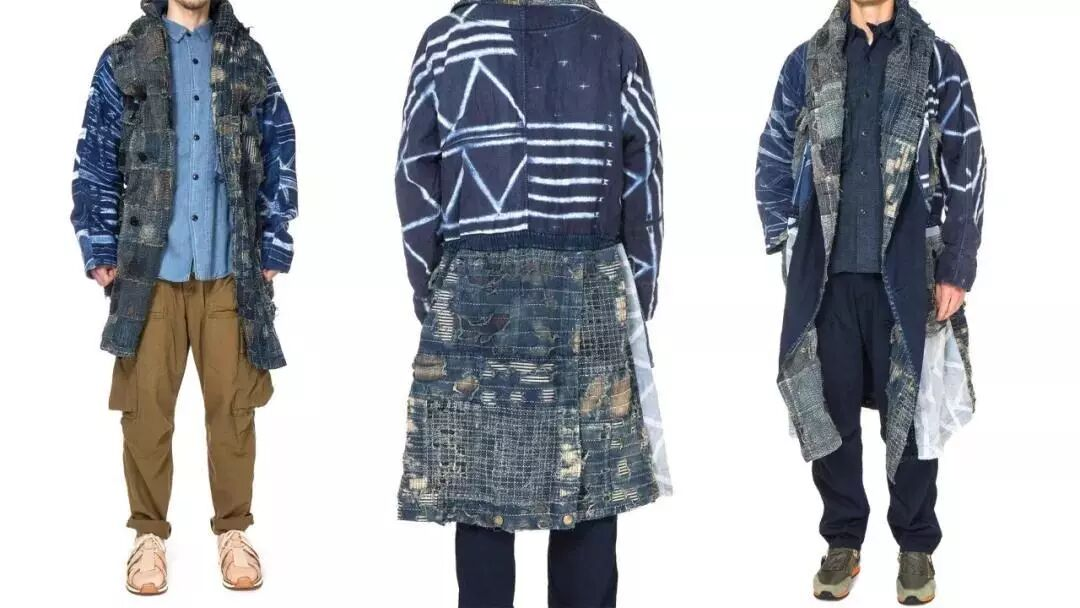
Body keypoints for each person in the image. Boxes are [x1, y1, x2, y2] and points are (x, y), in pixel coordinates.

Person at [394, 1, 672, 606]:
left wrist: (434, 294)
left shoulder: (445, 41)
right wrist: (636, 297)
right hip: (591, 291)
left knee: (481, 493)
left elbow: (415, 179)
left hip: (474, 293)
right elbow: (643, 182)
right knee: (587, 489)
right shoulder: (614, 44)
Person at [755, 0, 985, 604]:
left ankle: (916, 546)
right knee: (829, 413)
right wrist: (785, 235)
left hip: (908, 271)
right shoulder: (808, 60)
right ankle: (842, 539)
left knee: (910, 416)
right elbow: (775, 146)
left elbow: (967, 161)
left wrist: (956, 266)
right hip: (828, 274)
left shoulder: (936, 61)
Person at [71, 0, 297, 595]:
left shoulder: (246, 56)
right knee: (145, 412)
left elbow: (280, 146)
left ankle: (234, 531)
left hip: (230, 268)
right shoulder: (125, 57)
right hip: (148, 271)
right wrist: (99, 246)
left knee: (234, 409)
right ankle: (148, 537)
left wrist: (274, 242)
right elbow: (96, 155)